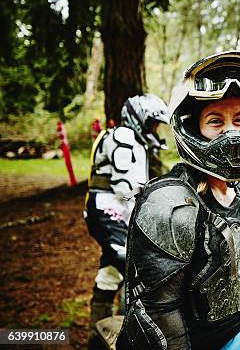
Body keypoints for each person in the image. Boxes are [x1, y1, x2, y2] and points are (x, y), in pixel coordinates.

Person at [116, 51, 240, 350]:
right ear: (193, 128)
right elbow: (158, 310)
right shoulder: (170, 205)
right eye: (215, 121)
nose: (231, 132)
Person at [85, 94, 169, 346]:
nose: (154, 130)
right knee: (133, 268)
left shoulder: (132, 140)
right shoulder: (123, 137)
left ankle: (96, 336)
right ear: (138, 119)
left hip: (113, 211)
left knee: (110, 272)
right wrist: (152, 198)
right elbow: (124, 187)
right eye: (152, 124)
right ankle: (130, 336)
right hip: (108, 210)